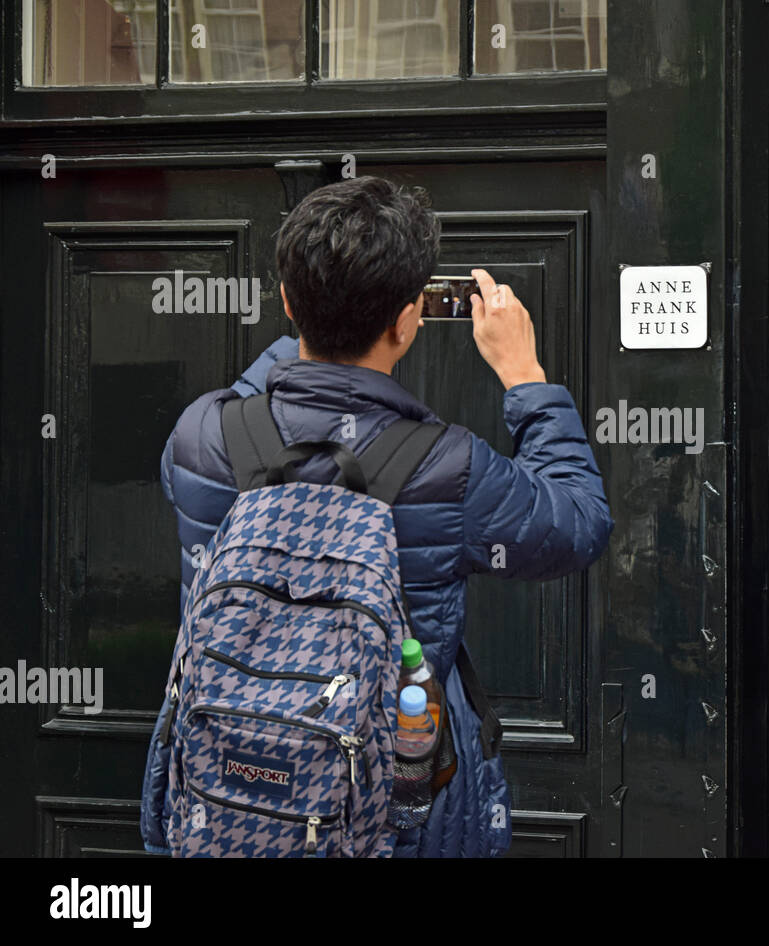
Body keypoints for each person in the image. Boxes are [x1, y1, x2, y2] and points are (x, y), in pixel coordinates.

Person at [140, 175, 614, 857]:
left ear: (284, 301)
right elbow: (579, 521)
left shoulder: (201, 436)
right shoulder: (449, 467)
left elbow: (246, 408)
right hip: (388, 821)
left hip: (221, 807)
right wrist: (525, 375)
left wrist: (307, 337)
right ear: (407, 320)